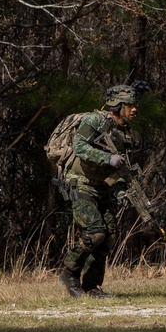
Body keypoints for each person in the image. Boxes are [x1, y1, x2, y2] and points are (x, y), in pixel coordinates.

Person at [59, 84, 142, 298]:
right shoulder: (94, 121)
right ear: (117, 105)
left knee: (109, 235)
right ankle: (70, 272)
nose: (134, 110)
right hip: (80, 182)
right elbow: (79, 146)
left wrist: (121, 190)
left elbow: (120, 168)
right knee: (94, 232)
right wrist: (107, 158)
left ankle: (92, 286)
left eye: (135, 105)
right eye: (130, 105)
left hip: (102, 186)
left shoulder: (124, 131)